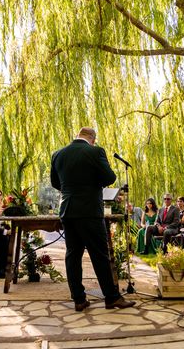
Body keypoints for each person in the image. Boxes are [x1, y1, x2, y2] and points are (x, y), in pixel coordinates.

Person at [50, 127, 135, 311]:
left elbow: (55, 183)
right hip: (89, 211)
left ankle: (79, 299)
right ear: (93, 139)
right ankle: (111, 297)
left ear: (78, 136)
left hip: (67, 210)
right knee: (100, 255)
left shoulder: (58, 154)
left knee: (73, 255)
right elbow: (109, 178)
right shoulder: (95, 151)